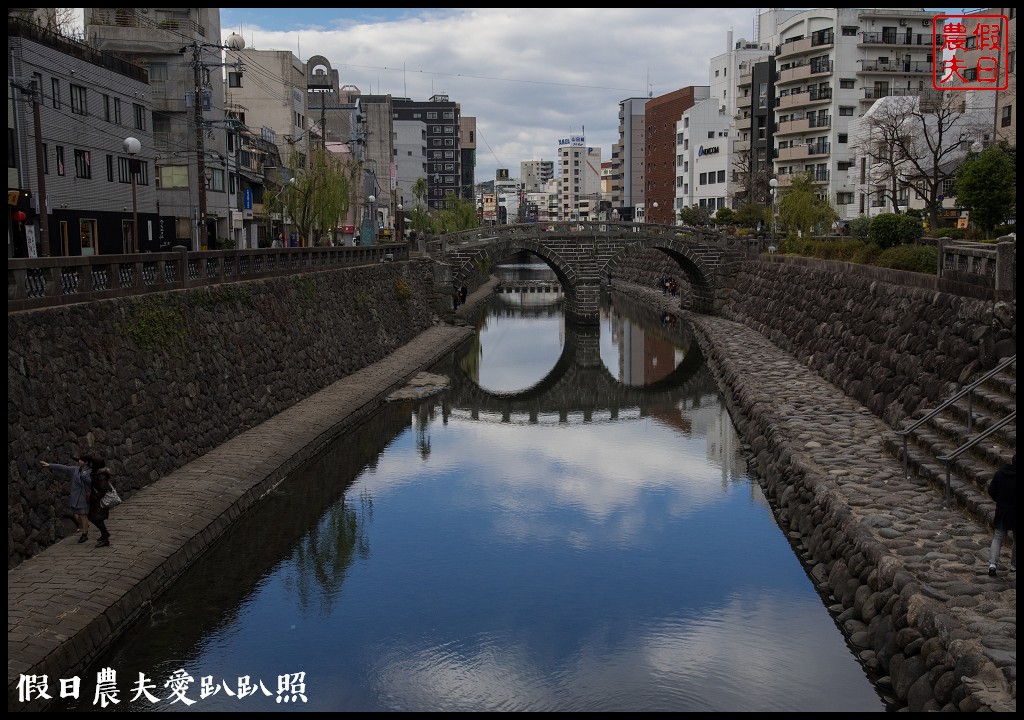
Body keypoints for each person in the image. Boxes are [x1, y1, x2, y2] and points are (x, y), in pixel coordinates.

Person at [39, 453, 94, 543]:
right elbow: (64, 468)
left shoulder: (90, 471)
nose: (79, 461)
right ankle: (86, 525)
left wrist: (84, 475)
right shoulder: (75, 470)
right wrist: (50, 465)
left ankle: (84, 534)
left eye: (82, 460)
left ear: (86, 462)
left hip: (84, 497)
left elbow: (91, 483)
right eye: (79, 459)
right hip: (75, 496)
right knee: (77, 516)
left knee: (83, 515)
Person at [987, 455, 1016, 576]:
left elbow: (992, 491)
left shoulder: (1000, 474)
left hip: (1002, 510)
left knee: (998, 537)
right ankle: (1014, 565)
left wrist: (999, 499)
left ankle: (992, 564)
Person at [88, 461, 114, 548]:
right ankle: (105, 535)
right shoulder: (98, 474)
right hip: (96, 502)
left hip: (99, 502)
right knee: (96, 519)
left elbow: (102, 489)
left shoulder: (101, 476)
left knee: (97, 519)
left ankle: (105, 538)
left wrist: (95, 498)